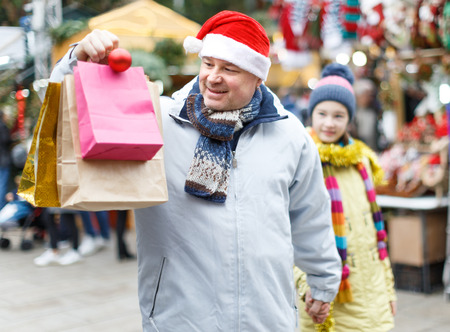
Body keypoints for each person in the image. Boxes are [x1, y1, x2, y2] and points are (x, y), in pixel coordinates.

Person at [49, 11, 341, 331]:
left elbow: (310, 215)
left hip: (266, 315)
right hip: (180, 316)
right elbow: (65, 119)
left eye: (229, 68)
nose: (214, 76)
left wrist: (322, 280)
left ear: (258, 77)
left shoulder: (290, 135)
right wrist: (77, 61)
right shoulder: (156, 118)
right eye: (208, 64)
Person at [294, 63, 397, 331]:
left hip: (372, 294)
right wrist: (311, 289)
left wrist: (389, 291)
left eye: (338, 116)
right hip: (326, 296)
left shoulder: (362, 161)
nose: (329, 123)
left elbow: (377, 236)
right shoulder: (300, 159)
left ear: (349, 119)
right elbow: (291, 234)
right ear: (311, 114)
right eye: (322, 113)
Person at [0, 110, 12, 210]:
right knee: (2, 184)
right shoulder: (2, 126)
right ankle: (1, 208)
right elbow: (6, 140)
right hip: (3, 159)